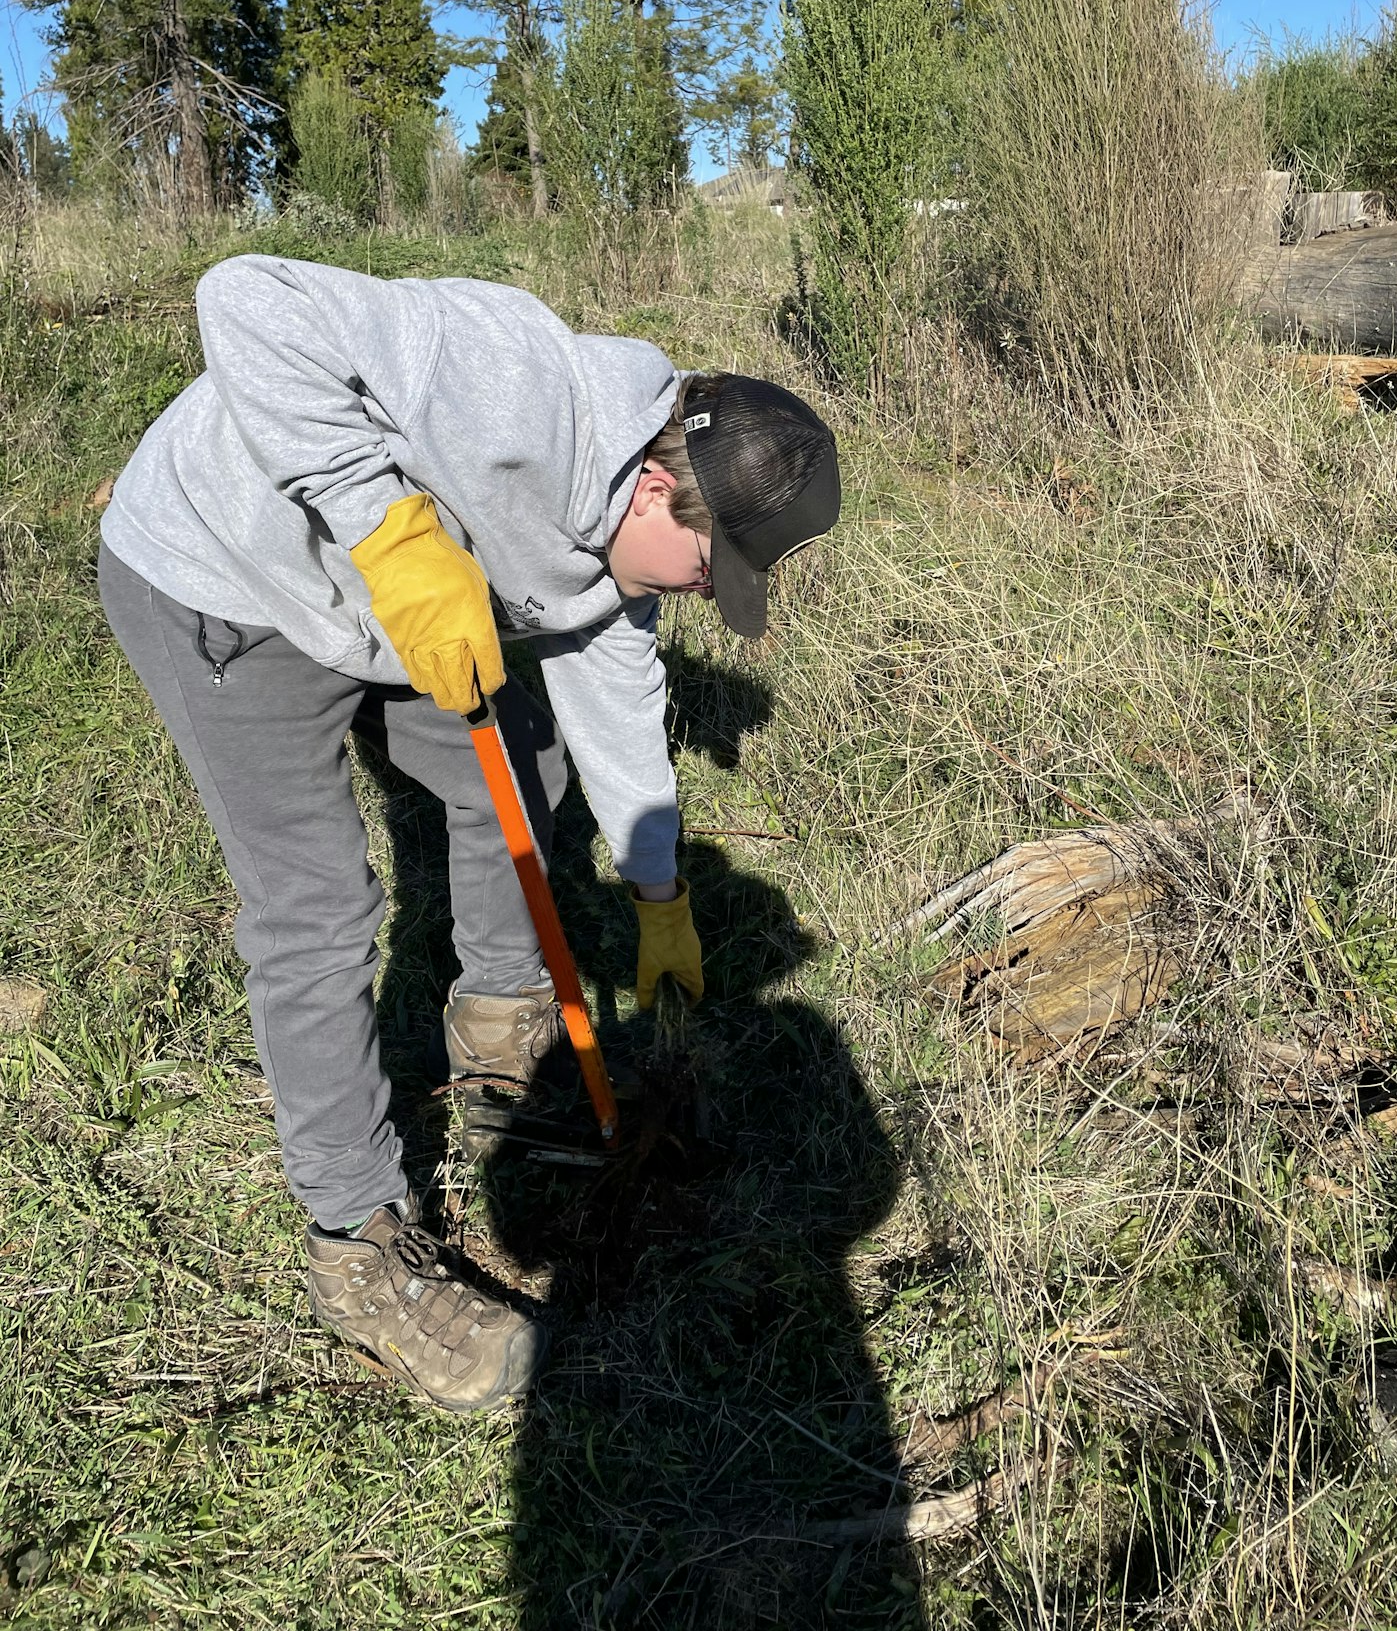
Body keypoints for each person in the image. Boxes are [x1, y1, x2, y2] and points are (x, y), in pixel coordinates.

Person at [97, 253, 841, 1416]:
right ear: (655, 490)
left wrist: (658, 895)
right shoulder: (511, 381)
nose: (705, 594)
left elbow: (616, 694)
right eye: (714, 567)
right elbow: (246, 297)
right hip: (228, 577)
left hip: (381, 609)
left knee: (526, 762)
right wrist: (386, 526)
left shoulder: (623, 547)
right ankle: (356, 1242)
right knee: (319, 908)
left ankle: (499, 1032)